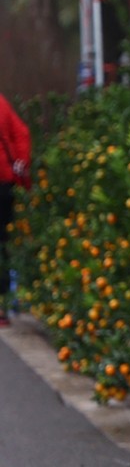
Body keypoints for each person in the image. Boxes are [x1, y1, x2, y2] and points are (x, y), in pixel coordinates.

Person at [0, 94, 32, 327]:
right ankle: (3, 304)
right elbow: (22, 133)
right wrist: (21, 160)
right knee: (3, 241)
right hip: (4, 182)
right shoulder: (1, 103)